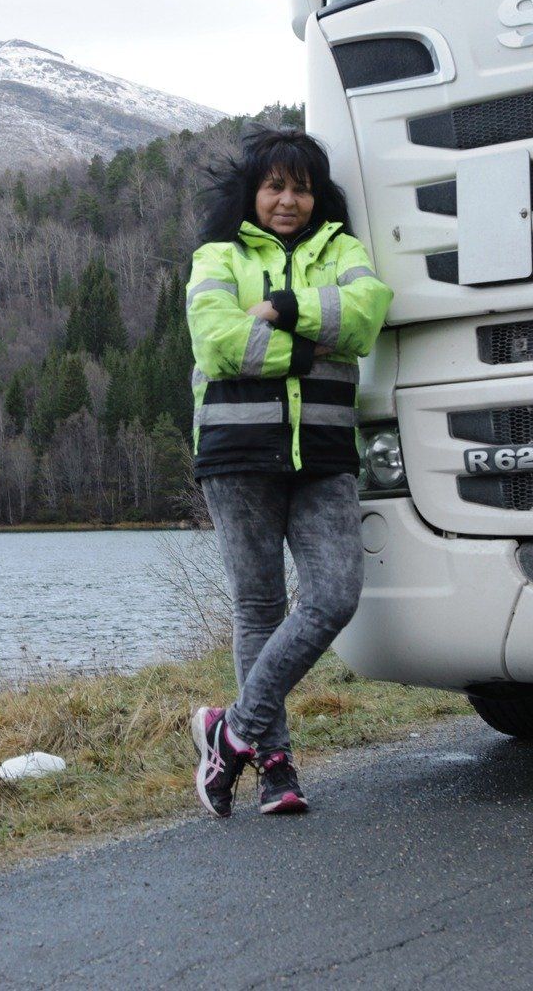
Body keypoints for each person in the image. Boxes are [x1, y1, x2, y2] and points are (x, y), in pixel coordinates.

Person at [184, 126, 393, 817]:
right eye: (274, 185)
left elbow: (364, 316)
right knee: (258, 607)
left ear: (317, 195)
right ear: (252, 191)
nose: (288, 200)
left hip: (325, 452)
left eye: (301, 187)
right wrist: (311, 352)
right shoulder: (217, 255)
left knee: (334, 595)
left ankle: (232, 728)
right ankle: (275, 769)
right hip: (238, 451)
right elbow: (216, 341)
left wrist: (283, 309)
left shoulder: (344, 250)